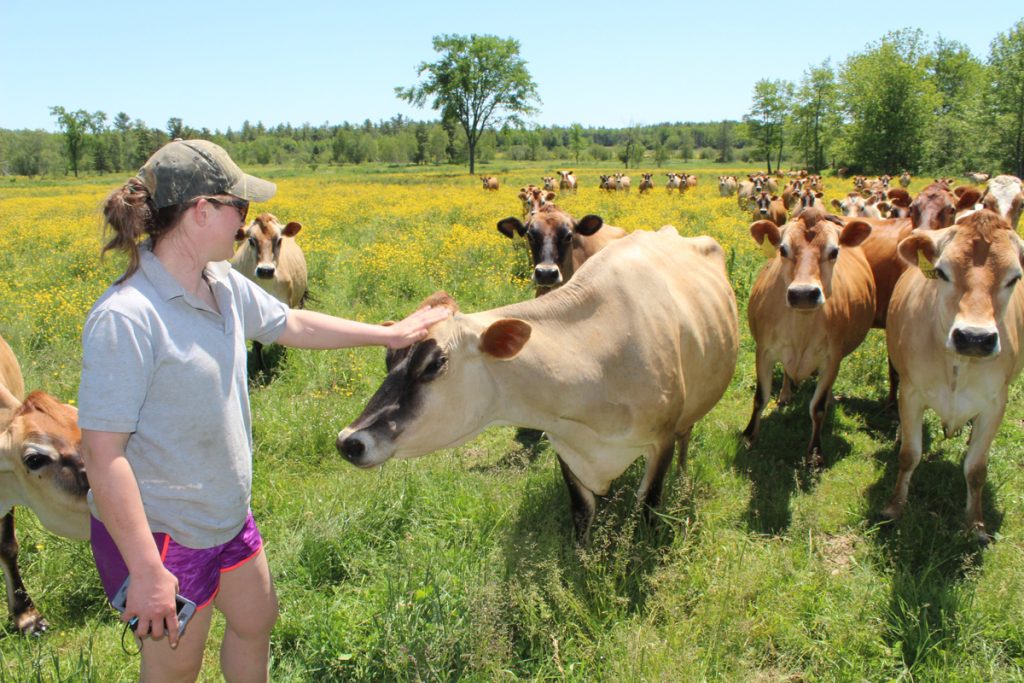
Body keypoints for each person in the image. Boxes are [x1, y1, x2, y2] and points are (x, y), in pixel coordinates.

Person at [78, 139, 449, 683]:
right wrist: (147, 570)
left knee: (256, 620)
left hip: (226, 514)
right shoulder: (128, 317)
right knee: (175, 669)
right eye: (240, 210)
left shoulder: (223, 284)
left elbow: (291, 325)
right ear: (202, 210)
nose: (244, 226)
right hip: (164, 536)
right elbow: (102, 455)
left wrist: (389, 333)